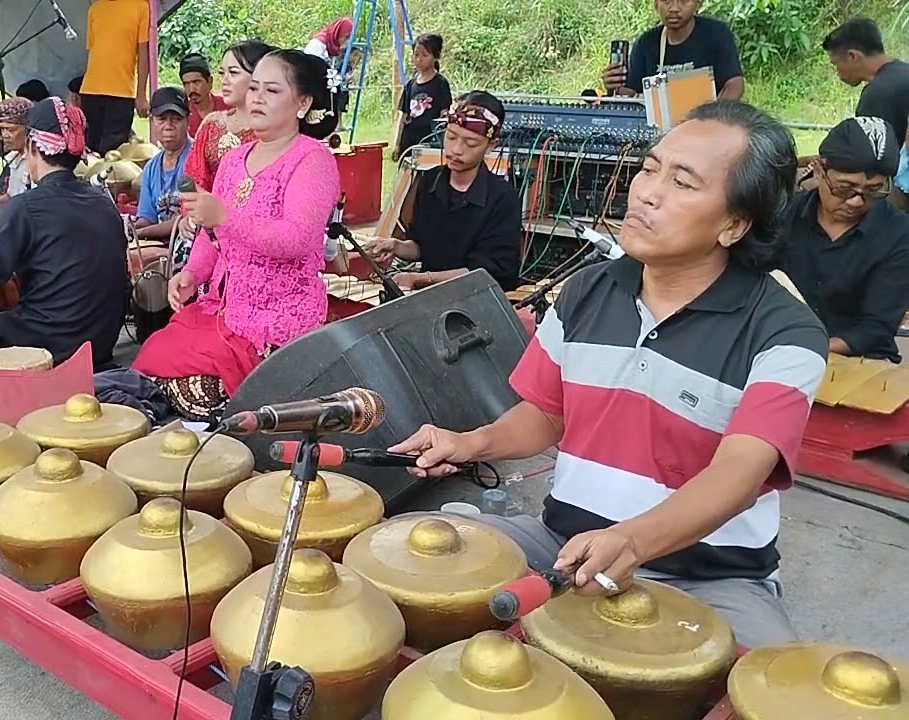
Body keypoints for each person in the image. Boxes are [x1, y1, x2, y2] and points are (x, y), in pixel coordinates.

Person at [389, 101, 830, 650]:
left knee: (777, 692)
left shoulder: (786, 334)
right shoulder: (587, 290)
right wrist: (467, 442)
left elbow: (739, 475)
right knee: (399, 568)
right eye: (650, 168)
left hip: (711, 578)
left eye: (683, 183)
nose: (647, 192)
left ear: (735, 224)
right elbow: (546, 415)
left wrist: (632, 542)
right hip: (561, 542)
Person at [131, 49, 342, 420]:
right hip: (223, 307)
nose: (257, 97)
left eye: (272, 91)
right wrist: (192, 274)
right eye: (255, 87)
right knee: (151, 357)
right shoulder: (233, 160)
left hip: (277, 314)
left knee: (197, 391)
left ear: (303, 102)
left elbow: (298, 238)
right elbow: (211, 237)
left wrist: (225, 216)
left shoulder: (313, 160)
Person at [0, 97, 129, 389]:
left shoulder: (26, 208)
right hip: (99, 346)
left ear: (31, 146)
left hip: (53, 345)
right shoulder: (104, 204)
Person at [780, 117, 909, 363]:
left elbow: (875, 328)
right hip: (779, 350)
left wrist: (808, 351)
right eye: (844, 187)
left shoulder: (898, 234)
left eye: (874, 191)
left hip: (860, 360)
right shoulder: (783, 217)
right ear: (818, 171)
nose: (856, 201)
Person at [365, 91, 522, 292]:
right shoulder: (430, 181)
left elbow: (487, 271)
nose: (456, 149)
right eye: (451, 137)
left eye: (470, 143)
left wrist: (421, 278)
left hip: (479, 299)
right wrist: (395, 246)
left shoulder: (502, 198)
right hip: (430, 295)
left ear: (490, 146)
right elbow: (422, 246)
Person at [822, 17, 909, 211]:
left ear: (853, 56)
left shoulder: (878, 93)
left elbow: (865, 155)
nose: (838, 73)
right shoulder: (905, 73)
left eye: (836, 65)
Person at [601, 0, 744, 101]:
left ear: (697, 4)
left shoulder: (715, 34)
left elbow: (735, 85)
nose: (674, 8)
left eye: (683, 1)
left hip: (704, 123)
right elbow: (628, 93)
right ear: (656, 4)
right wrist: (613, 86)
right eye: (666, 1)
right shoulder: (646, 43)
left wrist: (715, 117)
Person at [182, 40, 274, 193]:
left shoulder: (276, 130)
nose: (225, 80)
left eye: (233, 72)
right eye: (222, 73)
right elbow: (194, 182)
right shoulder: (212, 125)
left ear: (259, 75)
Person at [81, 0, 151, 155]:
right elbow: (93, 51)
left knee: (113, 153)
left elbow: (143, 54)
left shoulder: (140, 7)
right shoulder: (95, 9)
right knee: (88, 151)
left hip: (121, 92)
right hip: (90, 91)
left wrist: (141, 95)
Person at [134, 88, 193, 251]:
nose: (168, 126)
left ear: (188, 121)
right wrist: (130, 226)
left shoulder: (197, 158)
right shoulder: (151, 167)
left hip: (190, 248)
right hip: (161, 247)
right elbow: (147, 217)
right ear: (152, 121)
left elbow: (187, 219)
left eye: (176, 119)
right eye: (162, 119)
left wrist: (139, 233)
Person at [394, 33, 452, 159]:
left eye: (425, 55)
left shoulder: (440, 84)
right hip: (408, 143)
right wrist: (397, 144)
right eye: (416, 55)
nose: (419, 59)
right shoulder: (410, 85)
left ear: (435, 57)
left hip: (430, 142)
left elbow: (444, 116)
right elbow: (403, 116)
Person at [180, 53, 227, 137]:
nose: (191, 89)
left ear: (210, 81)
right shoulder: (182, 113)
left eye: (196, 82)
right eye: (186, 84)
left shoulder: (227, 107)